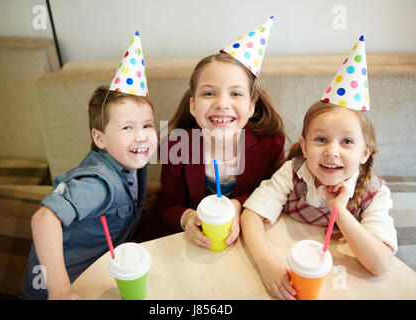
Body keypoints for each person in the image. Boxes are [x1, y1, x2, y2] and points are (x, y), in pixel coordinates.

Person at [241, 35, 397, 300]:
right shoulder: (293, 173)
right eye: (321, 139)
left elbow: (380, 265)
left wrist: (340, 211)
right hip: (287, 266)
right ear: (304, 146)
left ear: (364, 153)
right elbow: (251, 215)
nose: (331, 151)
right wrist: (266, 263)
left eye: (347, 141)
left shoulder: (374, 194)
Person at [20, 32, 158, 299]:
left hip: (98, 279)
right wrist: (59, 289)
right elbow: (43, 219)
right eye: (128, 127)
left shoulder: (129, 163)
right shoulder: (98, 183)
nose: (141, 135)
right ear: (100, 138)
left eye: (147, 125)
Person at [138, 17, 286, 249]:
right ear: (193, 106)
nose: (222, 104)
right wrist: (187, 218)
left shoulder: (271, 144)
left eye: (236, 94)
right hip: (193, 243)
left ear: (251, 106)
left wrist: (239, 205)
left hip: (248, 240)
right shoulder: (177, 146)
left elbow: (277, 193)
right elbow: (167, 205)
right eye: (209, 93)